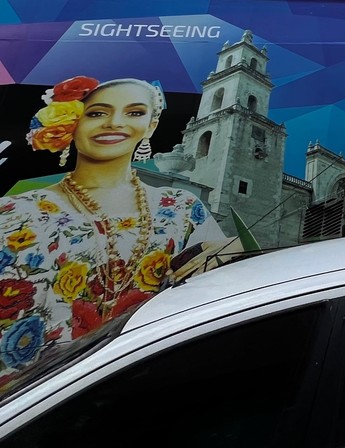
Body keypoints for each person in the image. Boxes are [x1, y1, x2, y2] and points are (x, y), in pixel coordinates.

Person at [0, 75, 231, 384]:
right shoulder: (12, 212)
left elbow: (219, 301)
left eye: (134, 112)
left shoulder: (183, 210)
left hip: (139, 388)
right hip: (25, 404)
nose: (114, 123)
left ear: (150, 126)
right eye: (97, 113)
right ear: (73, 122)